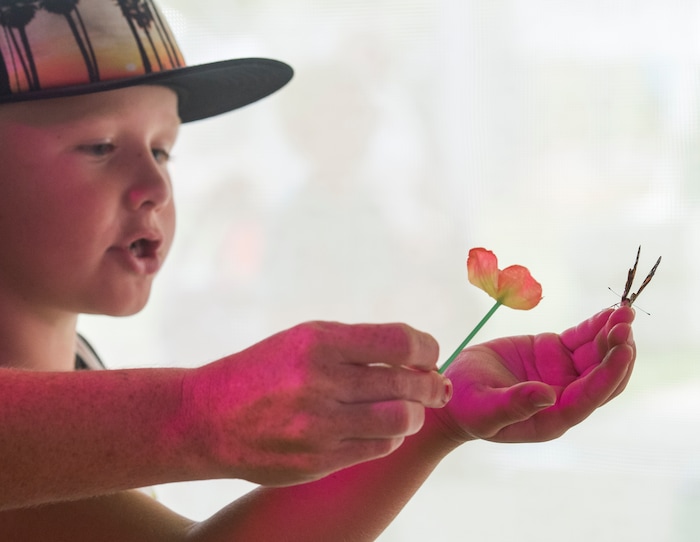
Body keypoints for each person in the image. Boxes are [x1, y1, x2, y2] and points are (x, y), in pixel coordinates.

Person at [0, 1, 636, 540]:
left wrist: (434, 419)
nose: (156, 186)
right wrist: (201, 410)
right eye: (99, 145)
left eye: (163, 149)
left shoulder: (77, 364)